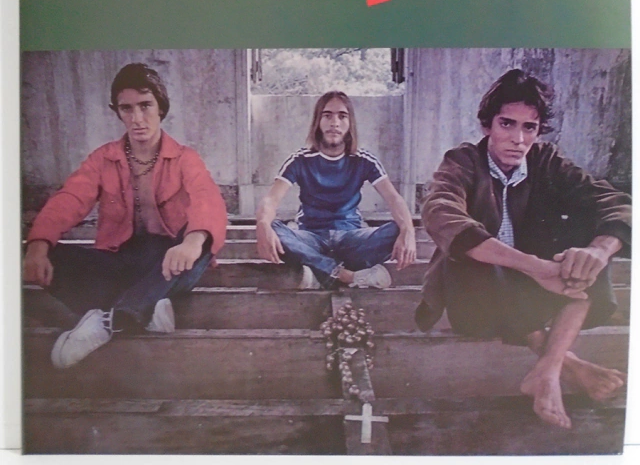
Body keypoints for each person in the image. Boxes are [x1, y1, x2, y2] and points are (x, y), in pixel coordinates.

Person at [416, 69, 630, 429]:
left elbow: (617, 204)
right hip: (477, 298)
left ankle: (547, 370)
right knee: (466, 247)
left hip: (536, 292)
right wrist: (534, 267)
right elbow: (439, 211)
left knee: (589, 246)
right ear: (487, 125)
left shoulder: (547, 161)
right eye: (507, 124)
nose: (518, 139)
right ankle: (569, 365)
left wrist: (597, 251)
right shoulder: (463, 160)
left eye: (529, 127)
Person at [23, 63, 228, 368]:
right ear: (117, 112)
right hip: (122, 261)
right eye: (127, 108)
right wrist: (38, 245)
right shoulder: (103, 158)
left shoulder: (185, 157)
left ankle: (109, 320)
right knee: (35, 254)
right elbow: (70, 199)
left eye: (145, 106)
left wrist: (192, 241)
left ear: (161, 108)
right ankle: (146, 310)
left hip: (168, 264)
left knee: (202, 242)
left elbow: (207, 198)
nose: (137, 118)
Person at [256, 90, 416, 289]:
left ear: (350, 124)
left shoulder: (364, 160)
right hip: (311, 236)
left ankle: (318, 270)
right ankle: (346, 275)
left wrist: (408, 231)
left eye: (342, 116)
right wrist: (263, 224)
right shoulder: (300, 160)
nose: (334, 123)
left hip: (352, 238)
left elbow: (394, 199)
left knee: (400, 227)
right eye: (327, 115)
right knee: (272, 228)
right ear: (318, 121)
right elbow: (271, 199)